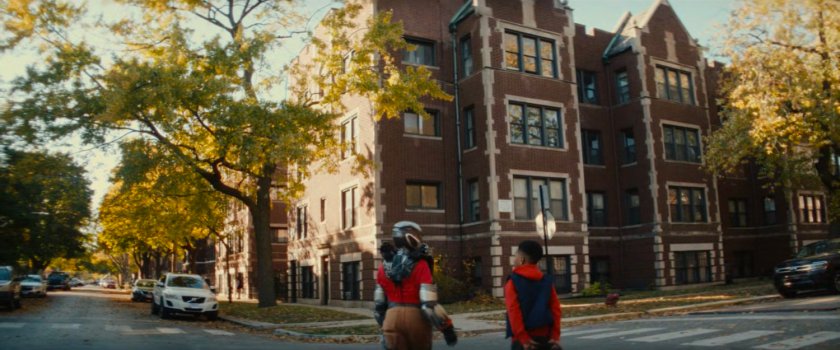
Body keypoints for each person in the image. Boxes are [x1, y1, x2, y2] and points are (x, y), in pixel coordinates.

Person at [374, 221, 458, 350]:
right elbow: (429, 305)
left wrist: (384, 325)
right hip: (416, 318)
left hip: (391, 317)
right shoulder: (421, 265)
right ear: (412, 237)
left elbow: (379, 306)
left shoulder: (383, 267)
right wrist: (447, 329)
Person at [505, 240, 562, 350]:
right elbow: (556, 309)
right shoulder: (546, 281)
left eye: (516, 254)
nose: (514, 258)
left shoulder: (512, 282)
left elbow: (513, 311)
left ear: (522, 260)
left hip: (523, 341)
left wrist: (523, 338)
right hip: (546, 337)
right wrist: (555, 335)